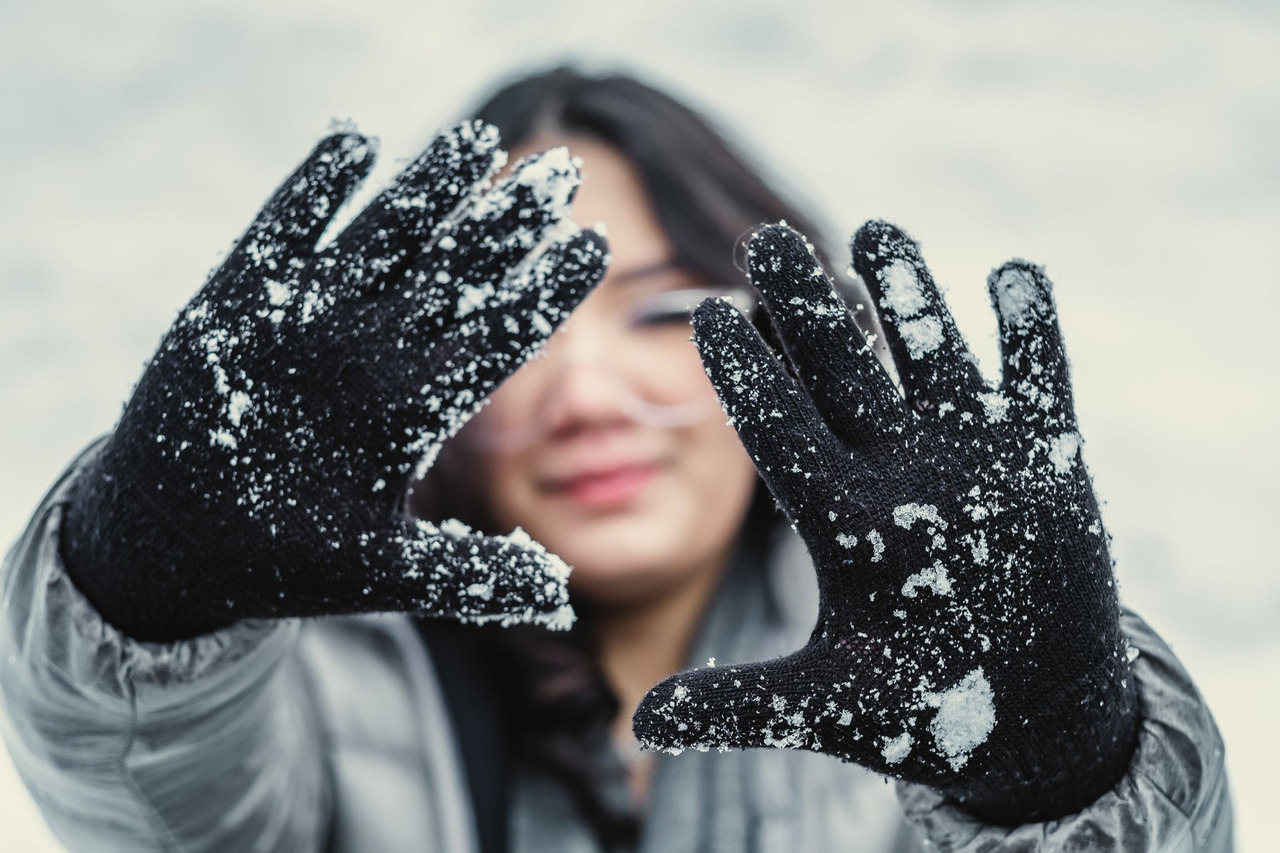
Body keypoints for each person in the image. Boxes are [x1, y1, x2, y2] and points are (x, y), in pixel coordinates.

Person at [0, 67, 1233, 853]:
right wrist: (144, 590)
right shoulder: (311, 694)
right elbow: (145, 795)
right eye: (526, 333)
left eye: (656, 313)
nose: (585, 395)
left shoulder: (946, 675)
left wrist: (1066, 781)